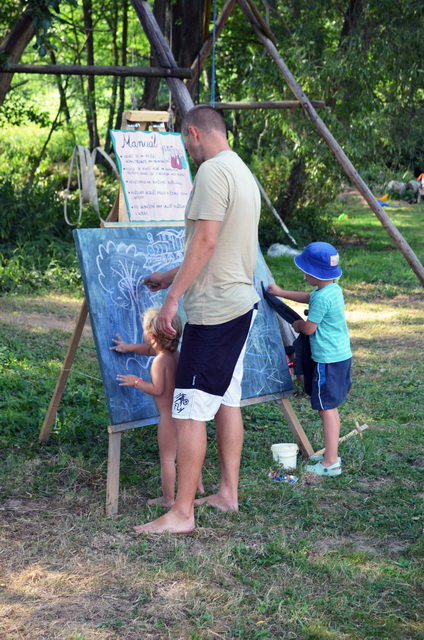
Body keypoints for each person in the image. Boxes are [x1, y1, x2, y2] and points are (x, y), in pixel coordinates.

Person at [133, 104, 261, 534]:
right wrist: (171, 276)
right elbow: (216, 244)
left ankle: (182, 514)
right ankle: (227, 494)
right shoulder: (241, 170)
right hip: (240, 304)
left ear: (193, 134)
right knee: (226, 400)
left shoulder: (210, 171)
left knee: (188, 409)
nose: (189, 154)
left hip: (214, 312)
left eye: (186, 144)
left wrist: (172, 299)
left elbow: (205, 241)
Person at [268, 241, 352, 477]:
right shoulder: (332, 290)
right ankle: (331, 456)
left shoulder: (322, 298)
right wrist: (281, 293)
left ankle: (331, 462)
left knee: (326, 409)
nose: (304, 275)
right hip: (340, 357)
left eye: (306, 271)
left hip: (327, 361)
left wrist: (297, 324)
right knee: (330, 408)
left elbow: (308, 329)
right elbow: (309, 297)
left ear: (316, 273)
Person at [113, 306, 204, 507]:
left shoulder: (158, 362)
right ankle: (198, 487)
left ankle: (168, 498)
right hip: (182, 413)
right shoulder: (175, 354)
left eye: (145, 330)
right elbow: (149, 350)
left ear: (152, 336)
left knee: (167, 458)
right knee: (188, 453)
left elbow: (157, 389)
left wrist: (136, 381)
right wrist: (128, 347)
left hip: (168, 418)